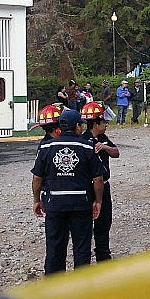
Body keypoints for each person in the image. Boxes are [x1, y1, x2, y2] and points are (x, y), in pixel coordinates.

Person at [32, 108, 104, 274]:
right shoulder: (87, 146)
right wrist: (98, 201)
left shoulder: (46, 147)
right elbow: (98, 179)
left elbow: (37, 178)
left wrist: (37, 200)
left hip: (54, 203)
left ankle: (54, 287)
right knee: (81, 247)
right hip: (81, 204)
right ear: (77, 126)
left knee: (54, 247)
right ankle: (81, 287)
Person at [83, 102, 119, 261]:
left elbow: (116, 152)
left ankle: (103, 255)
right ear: (95, 124)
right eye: (103, 122)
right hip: (87, 187)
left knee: (104, 222)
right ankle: (83, 257)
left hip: (104, 185)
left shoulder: (103, 138)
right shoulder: (82, 140)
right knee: (84, 224)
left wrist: (104, 148)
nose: (106, 125)